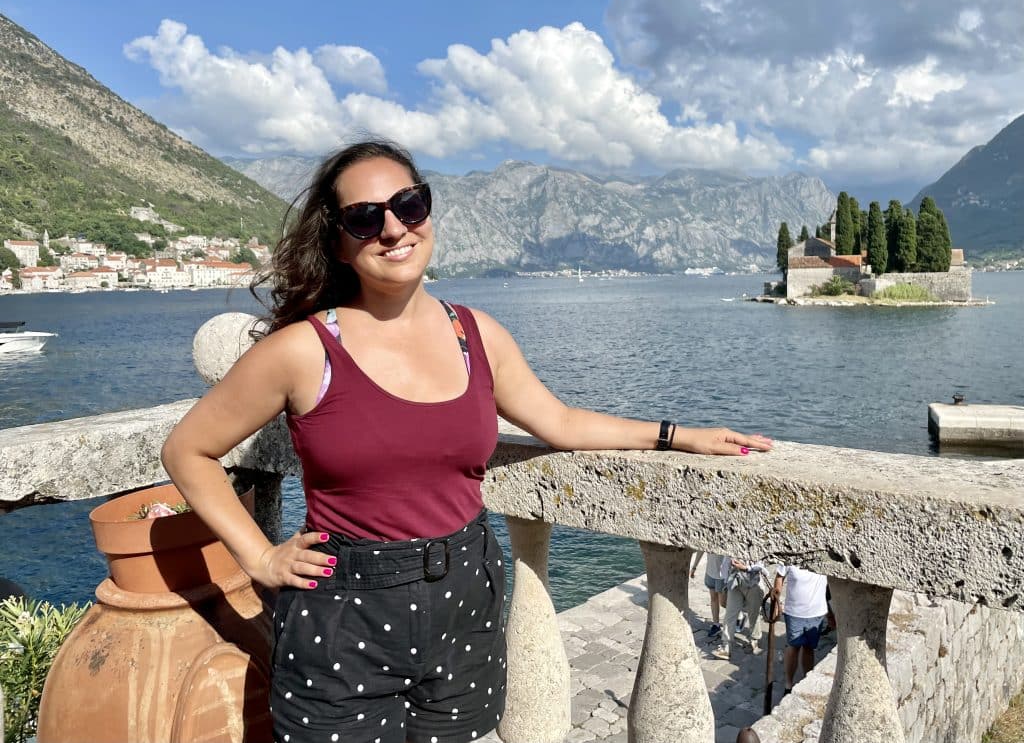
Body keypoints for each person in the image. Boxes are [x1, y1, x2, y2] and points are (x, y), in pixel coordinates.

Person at [161, 139, 773, 743]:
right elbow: (188, 449)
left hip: (466, 591)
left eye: (409, 205)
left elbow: (558, 422)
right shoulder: (303, 351)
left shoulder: (475, 334)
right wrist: (260, 557)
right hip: (346, 610)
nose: (393, 229)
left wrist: (677, 435)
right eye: (365, 217)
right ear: (339, 242)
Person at [773, 564, 829, 694]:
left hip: (817, 613)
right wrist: (776, 603)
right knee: (793, 647)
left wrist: (830, 612)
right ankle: (788, 684)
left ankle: (806, 679)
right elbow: (779, 577)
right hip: (794, 613)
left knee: (809, 648)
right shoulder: (790, 557)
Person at [713, 556, 768, 659]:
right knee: (730, 614)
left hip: (754, 584)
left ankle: (754, 640)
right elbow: (725, 562)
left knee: (753, 614)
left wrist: (746, 568)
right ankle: (726, 646)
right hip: (735, 581)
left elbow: (762, 567)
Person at [689, 551, 727, 639]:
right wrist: (694, 567)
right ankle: (716, 625)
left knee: (723, 603)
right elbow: (700, 550)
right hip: (710, 572)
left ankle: (739, 614)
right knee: (713, 598)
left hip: (722, 575)